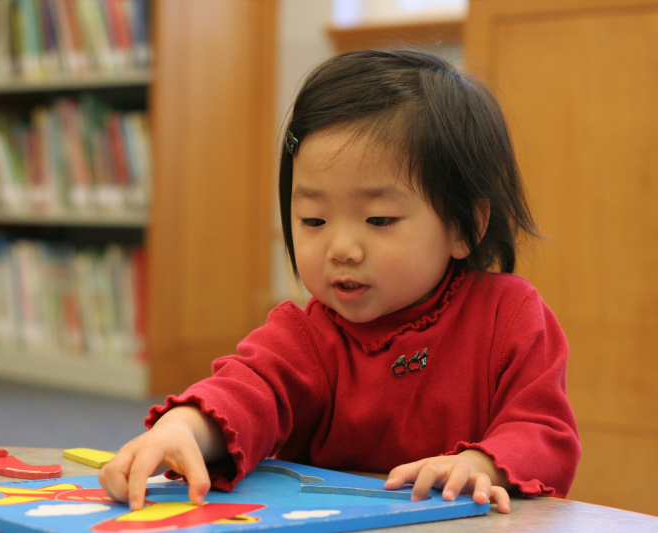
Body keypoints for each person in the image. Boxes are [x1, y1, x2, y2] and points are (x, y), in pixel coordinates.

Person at [99, 49, 581, 514]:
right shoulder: (305, 336)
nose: (341, 249)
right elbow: (247, 390)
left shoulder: (509, 316)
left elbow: (543, 430)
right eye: (313, 220)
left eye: (379, 219)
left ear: (464, 227)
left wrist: (481, 465)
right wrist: (184, 427)